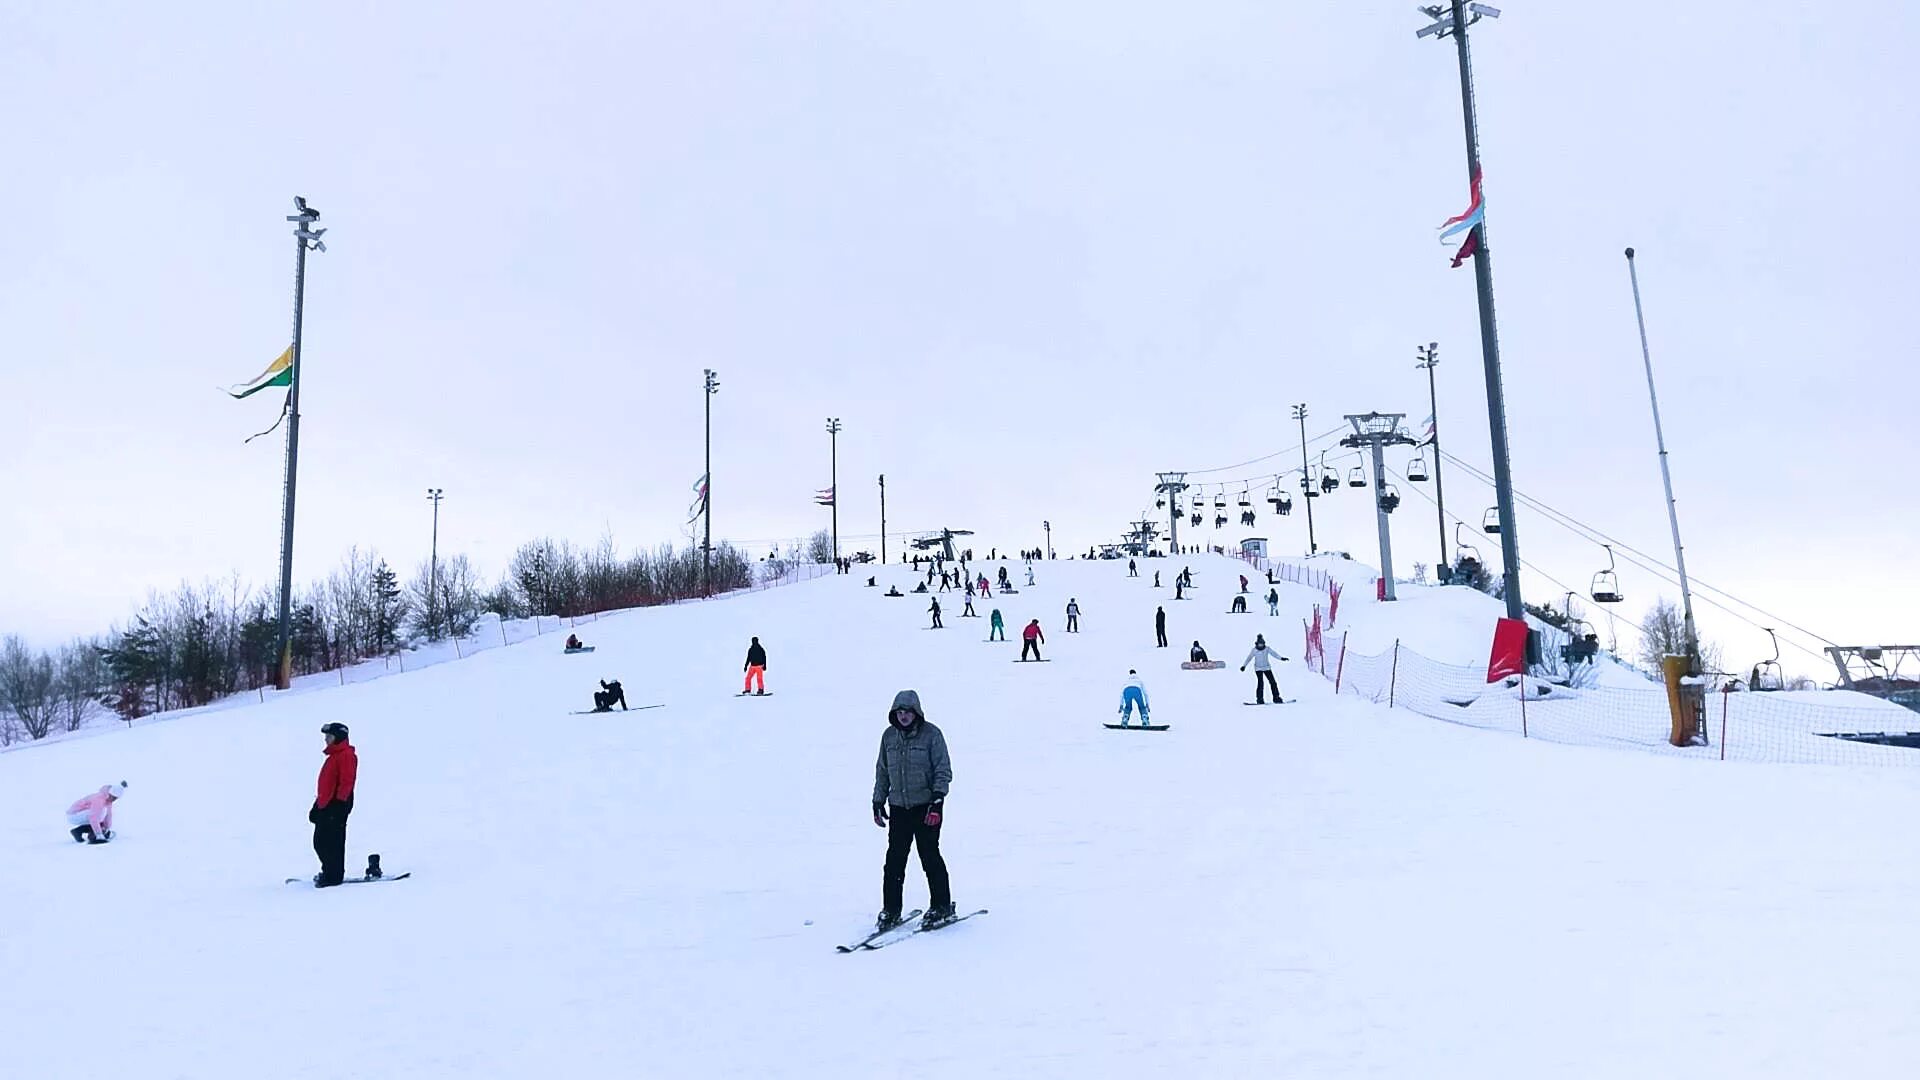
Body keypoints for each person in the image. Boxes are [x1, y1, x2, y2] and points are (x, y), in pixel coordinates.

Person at [872, 690, 954, 931]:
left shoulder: (932, 735)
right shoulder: (889, 737)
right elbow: (882, 771)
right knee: (894, 861)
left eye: (907, 712)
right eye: (899, 712)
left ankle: (941, 906)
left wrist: (937, 801)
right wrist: (878, 801)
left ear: (916, 712)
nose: (903, 716)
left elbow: (943, 769)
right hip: (898, 807)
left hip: (927, 807)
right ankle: (891, 910)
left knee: (929, 856)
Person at [310, 723, 358, 887]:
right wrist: (317, 805)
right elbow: (326, 784)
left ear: (338, 738)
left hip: (337, 805)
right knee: (320, 842)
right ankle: (329, 871)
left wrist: (339, 804)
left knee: (332, 842)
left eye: (329, 737)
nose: (326, 740)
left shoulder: (346, 756)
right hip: (327, 805)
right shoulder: (334, 757)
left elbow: (347, 781)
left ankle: (333, 876)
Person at [1241, 635, 1287, 704]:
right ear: (1257, 644)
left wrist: (1281, 658)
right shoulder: (1254, 650)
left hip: (1267, 668)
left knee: (1273, 682)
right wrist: (1244, 666)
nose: (1261, 645)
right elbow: (1249, 658)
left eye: (1262, 644)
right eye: (1259, 644)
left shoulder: (1267, 649)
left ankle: (1276, 698)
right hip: (1258, 669)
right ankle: (1260, 699)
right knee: (1260, 683)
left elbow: (1274, 654)